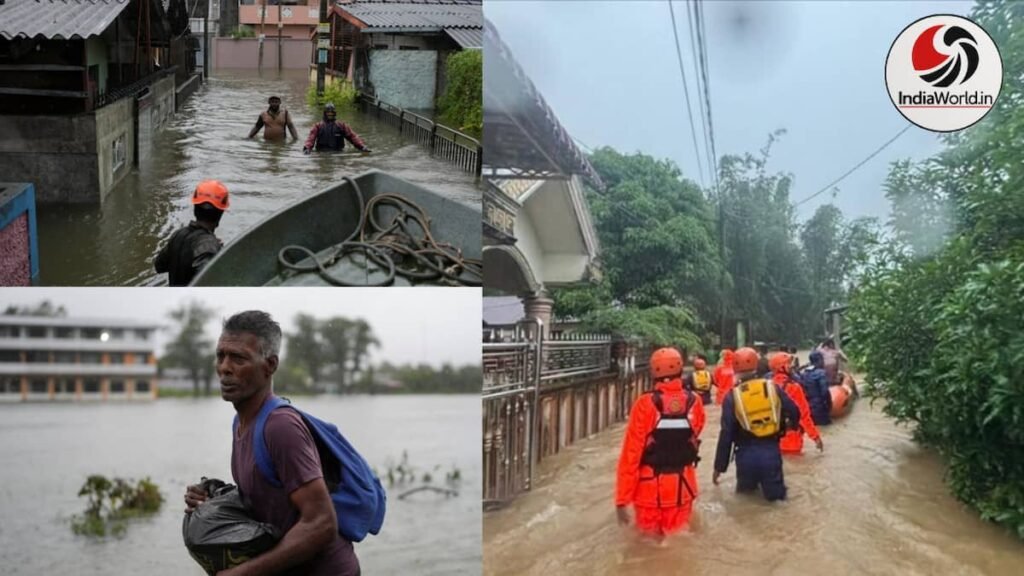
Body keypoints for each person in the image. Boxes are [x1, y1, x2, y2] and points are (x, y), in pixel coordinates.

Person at [183, 311, 360, 576]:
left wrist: (245, 572)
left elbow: (322, 523)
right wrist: (213, 495)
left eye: (239, 358)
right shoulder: (242, 422)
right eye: (221, 356)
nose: (225, 368)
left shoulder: (280, 427)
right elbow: (267, 494)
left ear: (270, 365)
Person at [615, 347, 706, 538]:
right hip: (683, 488)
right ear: (681, 370)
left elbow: (631, 454)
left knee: (647, 548)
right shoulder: (695, 401)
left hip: (648, 492)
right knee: (678, 544)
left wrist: (622, 499)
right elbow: (694, 433)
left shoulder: (644, 404)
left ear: (653, 371)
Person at [712, 347, 801, 502]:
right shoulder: (773, 387)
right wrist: (789, 426)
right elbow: (794, 411)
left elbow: (726, 435)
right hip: (771, 452)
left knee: (746, 500)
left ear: (735, 368)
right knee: (777, 502)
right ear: (756, 365)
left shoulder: (732, 396)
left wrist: (719, 467)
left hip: (744, 456)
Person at [154, 180, 229, 286]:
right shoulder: (209, 245)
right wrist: (217, 253)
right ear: (220, 214)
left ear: (195, 209)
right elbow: (205, 284)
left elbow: (159, 266)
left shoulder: (178, 234)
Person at [770, 352, 824, 455]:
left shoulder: (766, 386)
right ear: (782, 367)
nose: (792, 367)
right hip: (791, 441)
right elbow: (804, 416)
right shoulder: (794, 388)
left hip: (771, 442)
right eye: (789, 364)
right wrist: (816, 437)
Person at [303, 103, 372, 154]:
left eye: (331, 113)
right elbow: (310, 139)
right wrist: (307, 148)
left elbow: (353, 137)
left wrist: (362, 147)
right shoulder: (317, 126)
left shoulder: (341, 126)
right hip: (322, 153)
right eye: (328, 113)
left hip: (338, 153)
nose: (330, 115)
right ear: (325, 114)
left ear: (334, 114)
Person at [798, 350, 832, 425]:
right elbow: (825, 392)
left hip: (808, 409)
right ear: (819, 360)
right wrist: (829, 406)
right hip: (820, 409)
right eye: (822, 359)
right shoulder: (820, 373)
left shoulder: (804, 374)